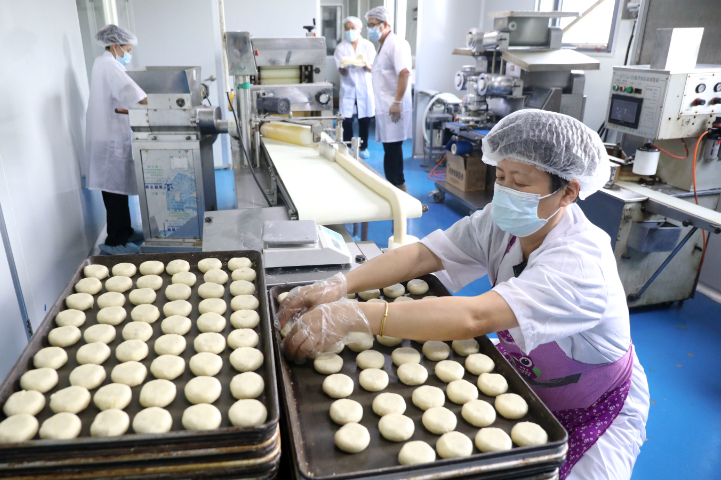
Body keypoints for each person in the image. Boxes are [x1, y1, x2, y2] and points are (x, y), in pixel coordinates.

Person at [278, 110, 649, 480]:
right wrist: (342, 284)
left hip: (597, 406)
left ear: (568, 191)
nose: (504, 191)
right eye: (500, 176)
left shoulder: (582, 263)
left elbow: (477, 317)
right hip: (526, 379)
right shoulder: (502, 224)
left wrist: (357, 316)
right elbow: (425, 254)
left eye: (519, 183)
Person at [85, 24, 148, 255]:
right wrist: (160, 104)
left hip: (110, 135)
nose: (128, 54)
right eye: (127, 49)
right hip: (109, 139)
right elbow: (131, 92)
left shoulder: (103, 63)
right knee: (114, 192)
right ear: (115, 45)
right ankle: (115, 241)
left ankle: (126, 231)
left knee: (118, 189)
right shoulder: (110, 66)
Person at [365, 6, 412, 191]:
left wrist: (397, 102)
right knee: (389, 150)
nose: (370, 29)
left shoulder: (396, 44)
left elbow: (404, 73)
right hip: (386, 107)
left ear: (384, 25)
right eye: (368, 25)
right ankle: (393, 188)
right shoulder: (383, 46)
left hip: (394, 107)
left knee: (393, 152)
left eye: (372, 25)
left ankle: (400, 189)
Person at [333, 16, 376, 159]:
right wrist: (348, 66)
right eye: (347, 28)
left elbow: (372, 67)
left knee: (365, 120)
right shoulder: (341, 47)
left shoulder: (368, 46)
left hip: (364, 88)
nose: (350, 31)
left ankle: (363, 148)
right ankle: (348, 146)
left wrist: (363, 64)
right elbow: (341, 68)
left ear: (360, 29)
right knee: (347, 120)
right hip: (348, 87)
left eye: (353, 28)